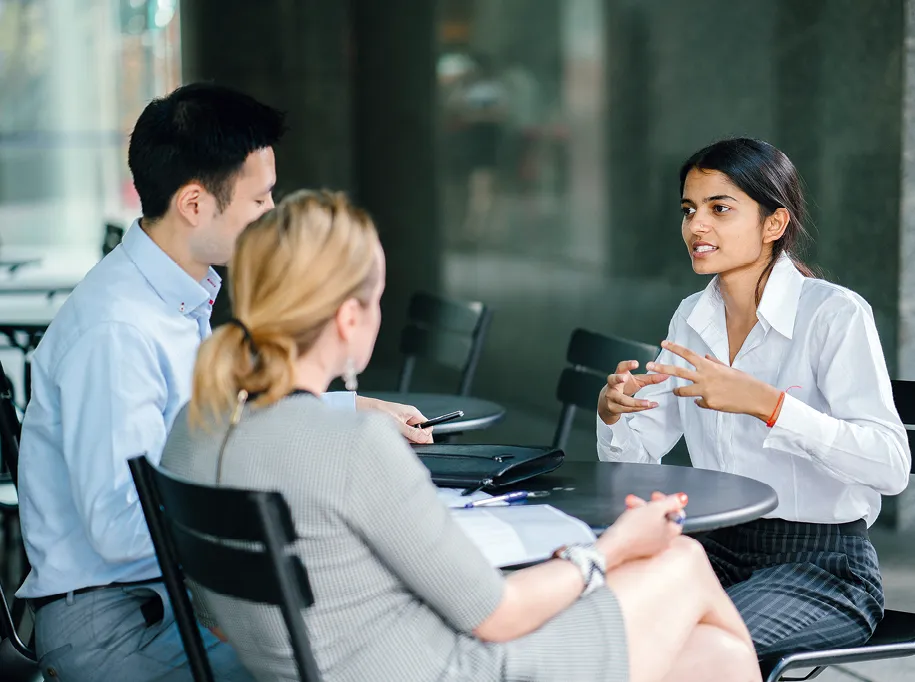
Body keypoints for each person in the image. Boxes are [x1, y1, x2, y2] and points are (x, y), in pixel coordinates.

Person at [160, 189, 761, 682]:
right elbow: (496, 617)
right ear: (349, 318)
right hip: (453, 668)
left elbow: (214, 613)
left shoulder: (194, 429)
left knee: (717, 660)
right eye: (377, 300)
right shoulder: (352, 446)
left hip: (332, 665)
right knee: (681, 557)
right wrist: (614, 548)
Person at [16, 83, 430, 682]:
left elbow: (218, 422)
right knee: (351, 664)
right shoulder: (118, 331)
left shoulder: (172, 296)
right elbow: (120, 528)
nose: (271, 215)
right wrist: (275, 503)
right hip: (120, 627)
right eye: (260, 199)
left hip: (170, 602)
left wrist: (344, 409)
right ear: (194, 204)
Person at [597, 137, 912, 660]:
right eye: (689, 210)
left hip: (822, 568)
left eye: (720, 209)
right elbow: (634, 461)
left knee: (684, 651)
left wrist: (770, 405)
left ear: (773, 224)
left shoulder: (833, 315)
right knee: (587, 630)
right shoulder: (692, 318)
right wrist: (615, 415)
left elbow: (891, 465)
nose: (697, 226)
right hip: (708, 551)